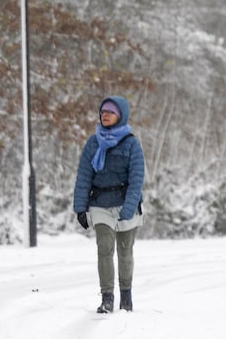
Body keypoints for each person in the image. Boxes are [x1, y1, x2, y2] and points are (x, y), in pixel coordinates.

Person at [72, 96, 145, 314]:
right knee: (104, 248)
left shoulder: (132, 144)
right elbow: (84, 177)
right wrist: (80, 207)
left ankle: (126, 297)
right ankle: (107, 298)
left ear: (120, 115)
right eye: (103, 111)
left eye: (110, 112)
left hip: (126, 204)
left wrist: (129, 207)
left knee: (125, 252)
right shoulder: (93, 143)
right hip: (100, 204)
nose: (105, 115)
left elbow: (137, 179)